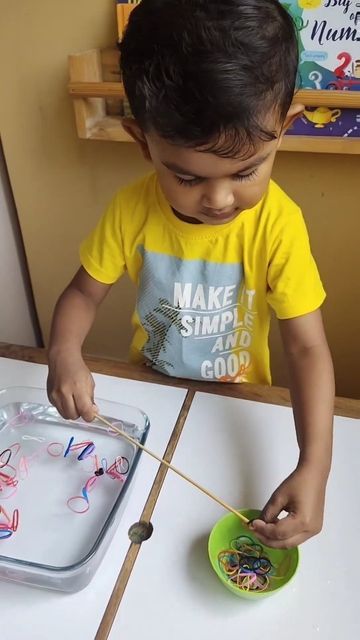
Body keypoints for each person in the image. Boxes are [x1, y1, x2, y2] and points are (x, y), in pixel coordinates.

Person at [47, 0, 334, 549]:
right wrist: (63, 355)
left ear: (284, 129)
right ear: (142, 142)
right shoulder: (131, 209)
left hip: (239, 406)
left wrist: (314, 466)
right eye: (187, 177)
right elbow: (83, 293)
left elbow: (307, 349)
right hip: (153, 397)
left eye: (247, 170)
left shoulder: (279, 223)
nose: (221, 200)